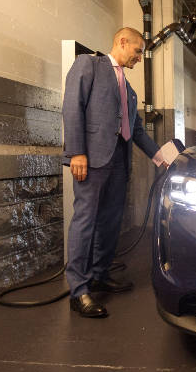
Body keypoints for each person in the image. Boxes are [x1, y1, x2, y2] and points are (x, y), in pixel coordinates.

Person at [62, 27, 167, 318]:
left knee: (110, 221)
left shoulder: (130, 91)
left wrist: (161, 158)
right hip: (91, 159)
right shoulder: (89, 65)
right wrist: (76, 152)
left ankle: (99, 273)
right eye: (137, 50)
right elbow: (72, 107)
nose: (139, 57)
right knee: (85, 221)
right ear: (123, 42)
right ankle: (79, 290)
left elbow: (135, 131)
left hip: (119, 161)